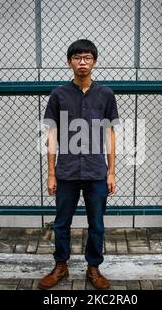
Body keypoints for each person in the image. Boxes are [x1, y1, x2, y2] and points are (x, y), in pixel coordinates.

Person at [38, 39, 119, 290]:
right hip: (67, 171)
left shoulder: (105, 94)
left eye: (86, 58)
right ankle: (60, 266)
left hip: (96, 171)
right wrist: (51, 173)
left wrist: (112, 172)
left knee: (97, 224)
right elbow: (51, 133)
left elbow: (110, 134)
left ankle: (94, 268)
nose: (82, 62)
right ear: (69, 62)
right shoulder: (58, 94)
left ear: (94, 61)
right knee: (62, 222)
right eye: (77, 58)